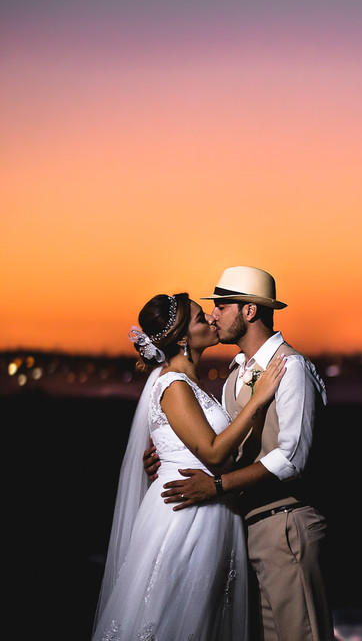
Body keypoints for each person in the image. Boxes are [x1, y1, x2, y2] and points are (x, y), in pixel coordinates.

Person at [151, 266, 334, 641]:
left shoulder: (290, 367)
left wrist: (218, 486)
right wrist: (173, 457)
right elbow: (228, 447)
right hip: (248, 528)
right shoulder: (236, 375)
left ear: (249, 311)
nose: (213, 315)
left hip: (286, 523)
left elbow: (292, 458)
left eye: (222, 306)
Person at [93, 293, 286, 641]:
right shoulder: (174, 384)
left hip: (211, 508)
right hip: (185, 513)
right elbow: (212, 454)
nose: (212, 320)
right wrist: (259, 399)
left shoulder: (193, 384)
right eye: (201, 318)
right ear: (183, 338)